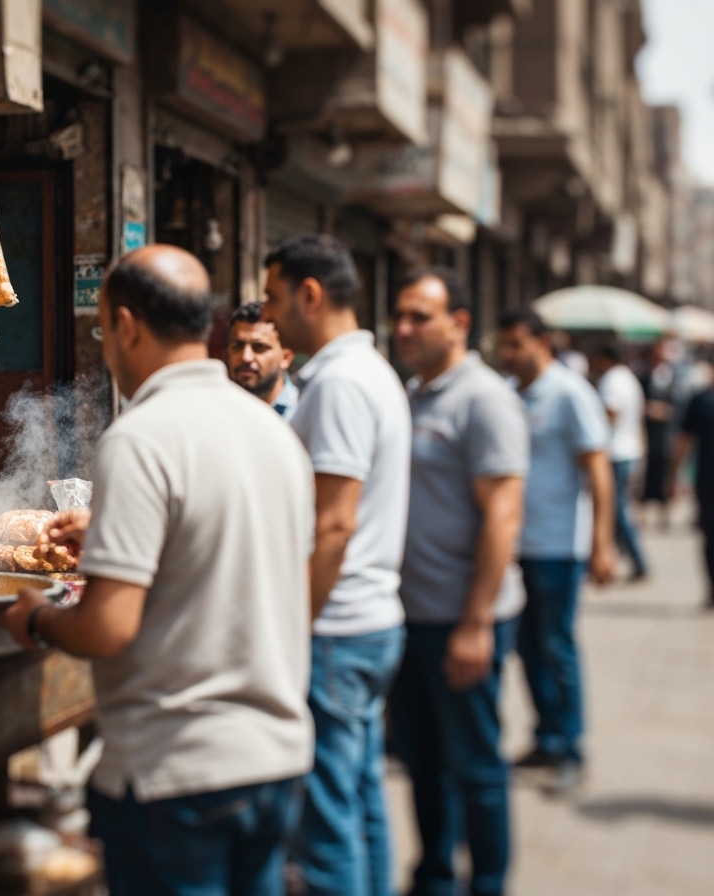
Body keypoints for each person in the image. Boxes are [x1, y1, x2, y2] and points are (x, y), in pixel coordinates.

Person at [1, 245, 316, 896]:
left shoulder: (142, 437)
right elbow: (226, 552)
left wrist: (36, 617)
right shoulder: (273, 433)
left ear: (125, 325)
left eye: (100, 330)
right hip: (275, 760)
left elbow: (107, 628)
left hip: (179, 776)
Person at [260, 235, 410, 896]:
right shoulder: (363, 372)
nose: (267, 314)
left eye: (272, 296)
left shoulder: (342, 384)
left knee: (324, 823)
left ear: (309, 294)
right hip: (365, 624)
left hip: (337, 630)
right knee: (357, 799)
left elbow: (335, 522)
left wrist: (296, 625)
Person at [389, 268, 528, 896]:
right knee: (424, 764)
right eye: (400, 315)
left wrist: (474, 623)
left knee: (474, 765)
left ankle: (489, 883)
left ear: (459, 323)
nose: (404, 328)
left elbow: (503, 514)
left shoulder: (484, 398)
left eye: (420, 316)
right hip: (413, 616)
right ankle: (435, 876)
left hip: (465, 620)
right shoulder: (418, 393)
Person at [497, 309, 616, 795]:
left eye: (516, 345)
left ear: (542, 343)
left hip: (558, 547)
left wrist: (602, 543)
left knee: (557, 647)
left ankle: (571, 747)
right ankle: (546, 736)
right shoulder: (509, 393)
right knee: (527, 648)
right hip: (516, 546)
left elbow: (599, 471)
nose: (508, 355)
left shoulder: (570, 394)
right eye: (503, 345)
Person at [591, 342, 648, 578]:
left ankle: (636, 558)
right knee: (619, 507)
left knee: (615, 508)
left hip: (616, 451)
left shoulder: (612, 380)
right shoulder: (627, 377)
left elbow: (610, 414)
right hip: (628, 449)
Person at [667, 383, 714, 608]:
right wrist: (674, 475)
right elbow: (684, 439)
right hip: (707, 480)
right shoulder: (701, 400)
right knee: (709, 535)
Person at [226, 300, 298, 418]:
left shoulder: (304, 413)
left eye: (259, 347)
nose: (246, 357)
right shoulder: (217, 414)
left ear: (286, 357)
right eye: (237, 346)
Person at [639, 340, 684, 529]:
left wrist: (662, 411)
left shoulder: (673, 379)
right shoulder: (644, 377)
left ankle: (664, 513)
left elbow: (679, 407)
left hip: (666, 434)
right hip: (648, 434)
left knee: (666, 474)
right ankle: (644, 512)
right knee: (647, 475)